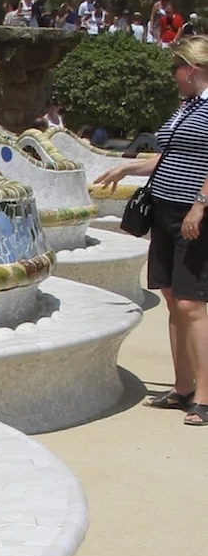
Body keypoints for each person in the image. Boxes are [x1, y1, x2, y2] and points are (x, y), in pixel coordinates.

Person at [94, 36, 208, 426]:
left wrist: (200, 205)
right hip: (164, 211)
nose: (172, 75)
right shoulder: (188, 107)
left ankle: (204, 397)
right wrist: (128, 167)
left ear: (192, 68)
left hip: (193, 216)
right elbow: (171, 156)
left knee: (192, 304)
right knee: (173, 299)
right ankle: (182, 387)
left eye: (176, 68)